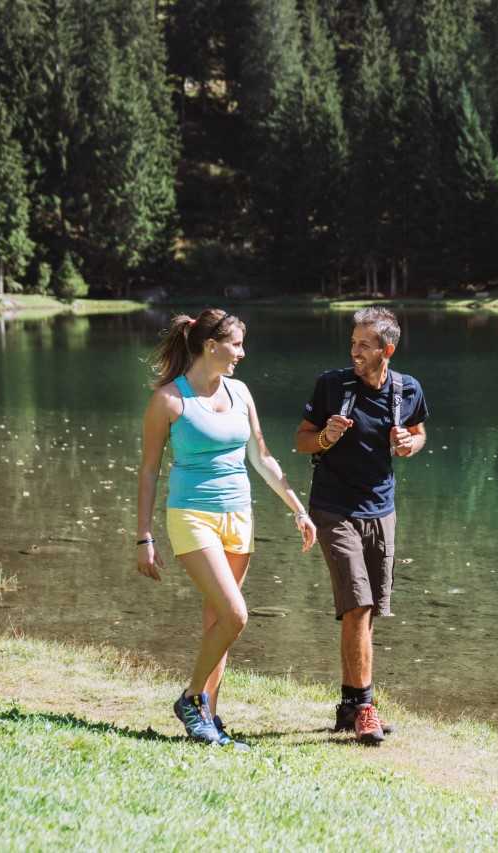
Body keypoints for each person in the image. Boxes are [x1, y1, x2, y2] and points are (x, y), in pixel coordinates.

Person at [136, 308, 316, 748]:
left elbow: (262, 458)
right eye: (235, 344)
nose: (241, 352)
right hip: (192, 516)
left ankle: (209, 722)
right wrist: (144, 536)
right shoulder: (169, 400)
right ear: (210, 345)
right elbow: (148, 471)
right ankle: (191, 698)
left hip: (239, 517)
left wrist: (297, 508)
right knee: (236, 614)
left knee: (220, 622)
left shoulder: (241, 393)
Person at [295, 307, 428, 745]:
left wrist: (410, 444)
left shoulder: (407, 389)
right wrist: (326, 438)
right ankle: (366, 708)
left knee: (367, 612)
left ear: (386, 350)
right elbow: (302, 440)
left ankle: (349, 706)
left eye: (364, 345)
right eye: (353, 343)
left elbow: (418, 431)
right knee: (357, 605)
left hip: (381, 509)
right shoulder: (332, 386)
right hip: (333, 507)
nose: (355, 351)